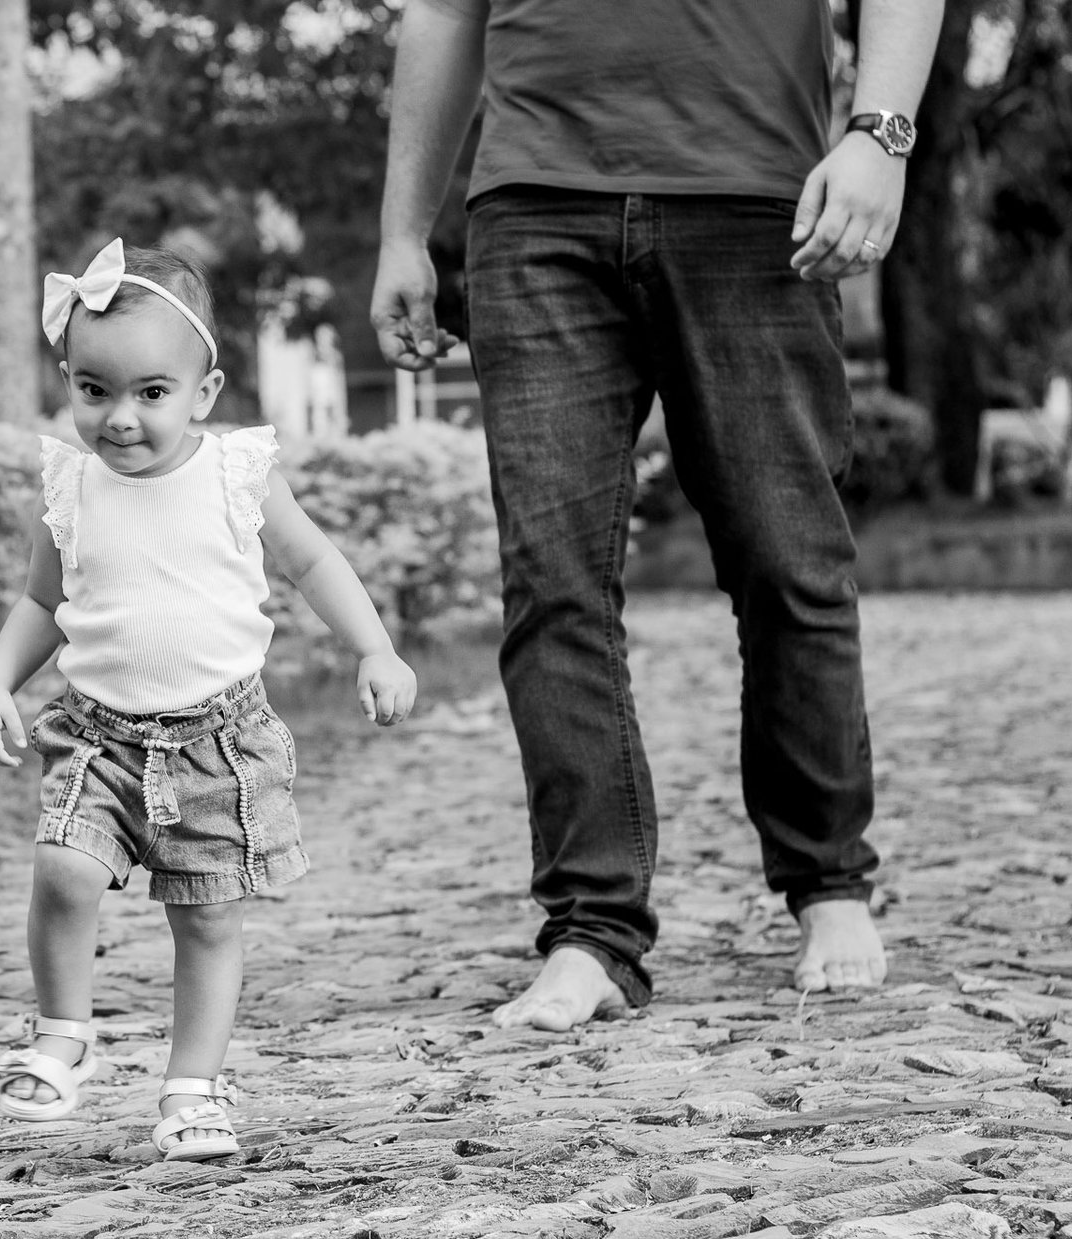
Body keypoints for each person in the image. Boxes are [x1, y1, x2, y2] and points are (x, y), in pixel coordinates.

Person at [372, 0, 944, 1029]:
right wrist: (404, 229)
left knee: (787, 563)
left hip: (756, 192)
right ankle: (592, 929)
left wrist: (880, 132)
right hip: (535, 202)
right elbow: (443, 9)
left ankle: (828, 884)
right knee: (553, 588)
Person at [0, 240, 417, 1160]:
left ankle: (193, 1087)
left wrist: (373, 646)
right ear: (69, 381)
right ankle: (64, 1032)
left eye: (150, 393)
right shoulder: (70, 485)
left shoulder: (235, 474)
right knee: (63, 869)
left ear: (203, 393)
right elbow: (42, 603)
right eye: (94, 391)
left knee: (208, 915)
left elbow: (313, 562)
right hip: (97, 734)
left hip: (219, 741)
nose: (120, 418)